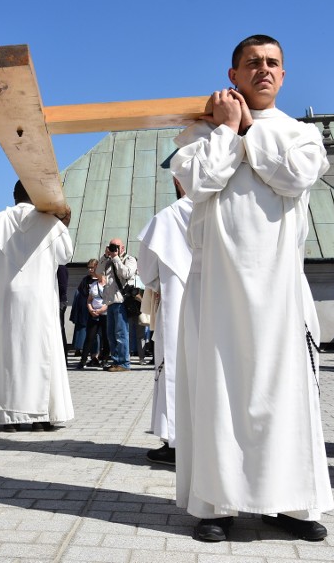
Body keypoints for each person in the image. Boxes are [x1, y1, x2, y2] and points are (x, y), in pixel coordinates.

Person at [170, 34, 333, 541]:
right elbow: (198, 182)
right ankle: (217, 505)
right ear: (233, 76)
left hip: (279, 285)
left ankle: (288, 502)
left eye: (272, 63)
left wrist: (246, 131)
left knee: (282, 393)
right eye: (252, 63)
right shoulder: (198, 135)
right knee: (222, 388)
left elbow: (293, 177)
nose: (263, 69)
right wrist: (227, 131)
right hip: (218, 284)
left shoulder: (302, 134)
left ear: (283, 76)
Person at [0, 181, 73, 432]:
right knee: (42, 352)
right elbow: (65, 255)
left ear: (15, 195)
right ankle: (41, 418)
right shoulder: (48, 221)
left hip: (9, 296)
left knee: (9, 353)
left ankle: (10, 418)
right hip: (39, 296)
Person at [136, 177, 193, 466]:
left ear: (178, 180)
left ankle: (176, 442)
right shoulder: (227, 209)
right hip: (221, 301)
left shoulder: (167, 219)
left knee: (174, 367)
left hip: (178, 302)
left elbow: (146, 273)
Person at [95, 238, 137, 372]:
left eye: (116, 246)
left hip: (121, 302)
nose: (113, 249)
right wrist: (105, 256)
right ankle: (116, 361)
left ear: (123, 248)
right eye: (111, 246)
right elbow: (99, 271)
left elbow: (126, 273)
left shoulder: (129, 259)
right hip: (110, 302)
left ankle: (124, 363)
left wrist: (116, 258)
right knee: (111, 334)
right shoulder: (109, 260)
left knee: (121, 333)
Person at [75, 274, 108, 369]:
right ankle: (83, 360)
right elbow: (89, 300)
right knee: (89, 337)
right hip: (94, 313)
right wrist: (90, 309)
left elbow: (110, 300)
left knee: (106, 338)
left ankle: (105, 360)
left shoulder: (109, 284)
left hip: (105, 313)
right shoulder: (94, 284)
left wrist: (101, 310)